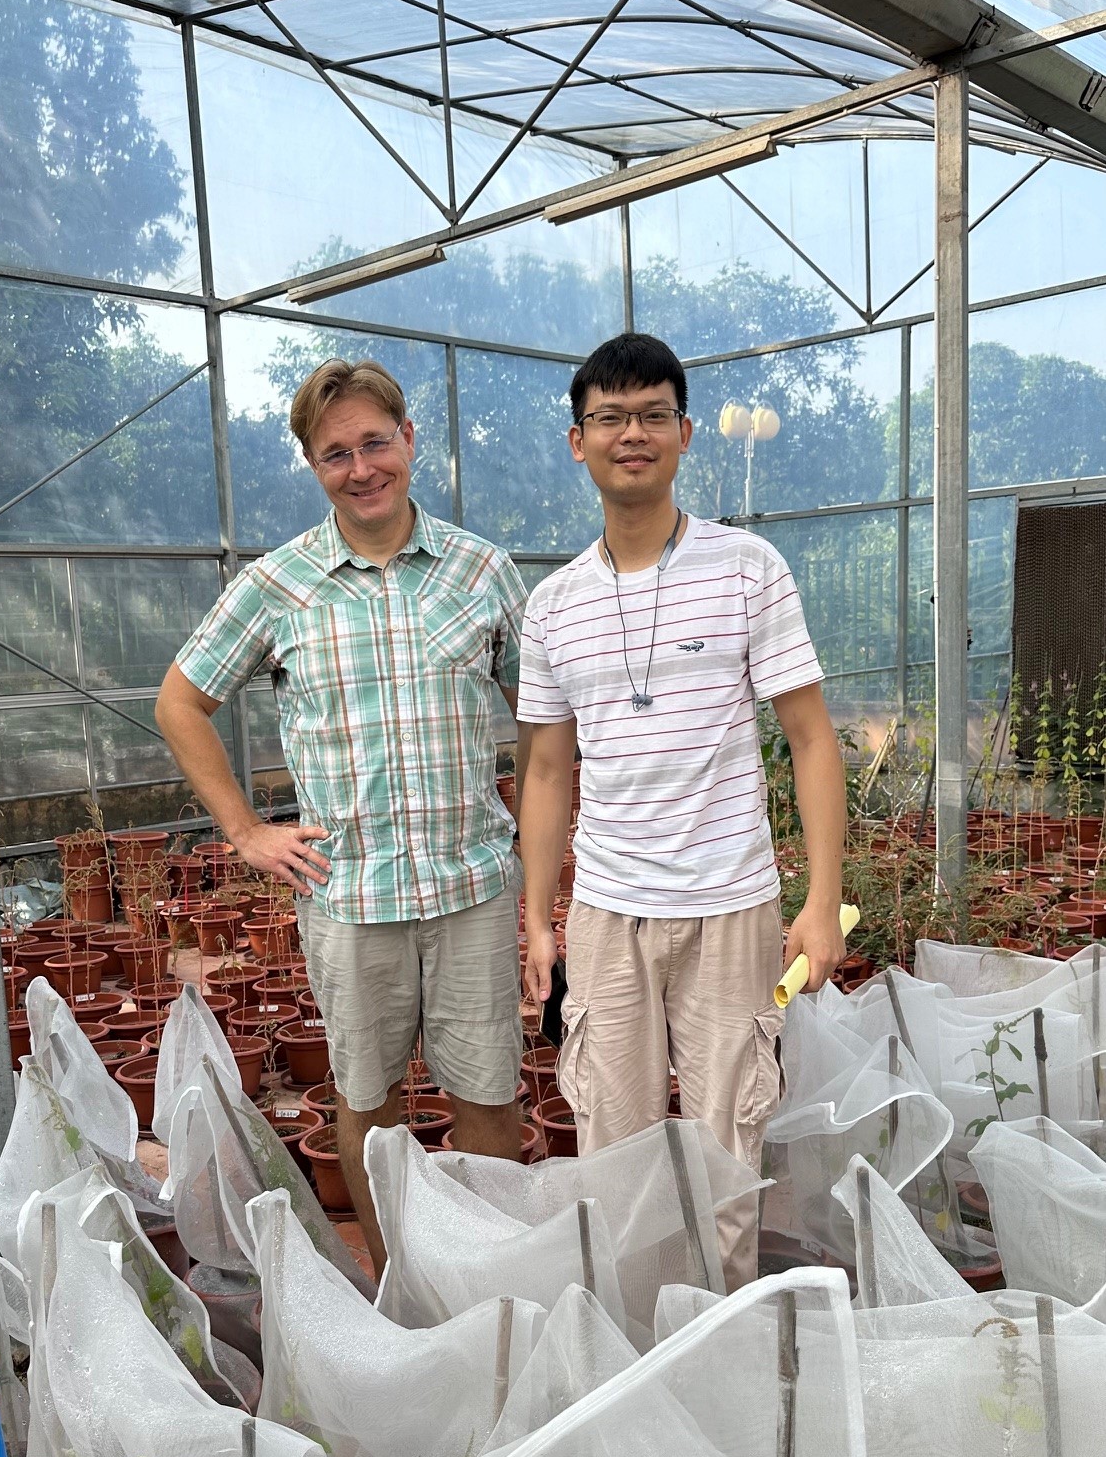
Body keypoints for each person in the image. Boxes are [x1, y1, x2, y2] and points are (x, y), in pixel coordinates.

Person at [156, 357, 530, 1274]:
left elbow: (545, 720)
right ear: (313, 466)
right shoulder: (279, 585)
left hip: (472, 886)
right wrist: (247, 832)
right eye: (336, 454)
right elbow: (179, 701)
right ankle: (403, 1276)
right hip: (348, 892)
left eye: (374, 443)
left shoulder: (483, 571)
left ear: (408, 440)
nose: (361, 468)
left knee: (488, 1094)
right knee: (366, 1099)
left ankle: (490, 1275)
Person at [517, 332, 846, 1287]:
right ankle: (633, 1347)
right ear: (577, 441)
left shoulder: (748, 568)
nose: (633, 434)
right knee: (612, 1154)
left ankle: (720, 1338)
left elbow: (812, 738)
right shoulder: (554, 605)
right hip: (608, 912)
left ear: (686, 434)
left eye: (653, 415)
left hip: (731, 904)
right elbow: (545, 771)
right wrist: (539, 923)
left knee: (726, 1150)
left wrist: (820, 901)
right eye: (610, 418)